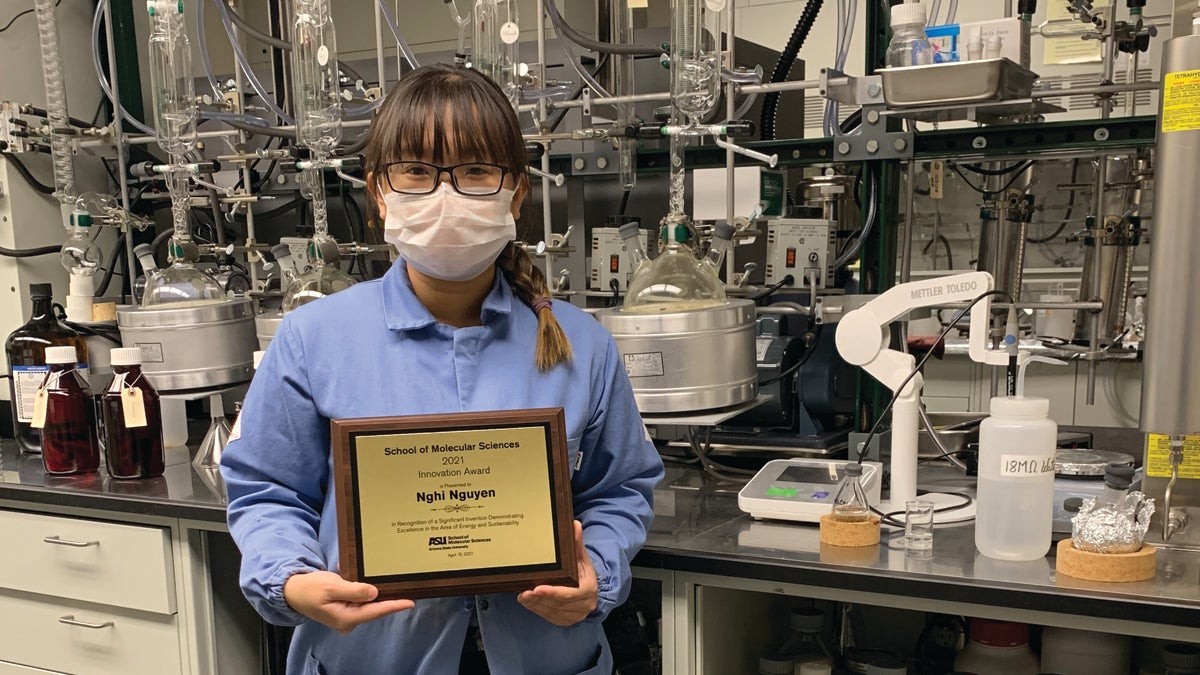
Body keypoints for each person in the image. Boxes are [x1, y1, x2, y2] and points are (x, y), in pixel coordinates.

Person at [220, 63, 664, 675]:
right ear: (379, 193)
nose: (445, 195)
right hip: (372, 653)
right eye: (417, 172)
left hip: (546, 653)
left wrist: (598, 578)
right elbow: (267, 491)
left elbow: (620, 490)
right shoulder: (312, 339)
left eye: (476, 171)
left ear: (515, 191)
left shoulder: (581, 343)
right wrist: (291, 580)